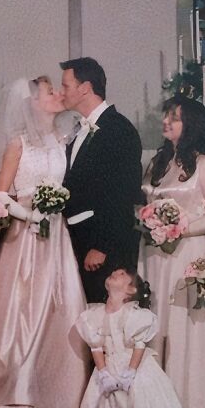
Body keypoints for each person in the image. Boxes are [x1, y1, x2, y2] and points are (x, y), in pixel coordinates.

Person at [0, 76, 91, 408]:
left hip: (56, 233)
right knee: (23, 304)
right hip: (25, 233)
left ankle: (60, 389)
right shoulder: (18, 144)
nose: (58, 94)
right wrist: (27, 213)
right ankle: (18, 388)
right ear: (32, 102)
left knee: (61, 304)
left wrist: (52, 209)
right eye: (49, 92)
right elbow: (0, 194)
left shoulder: (63, 137)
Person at [141, 96, 205, 408]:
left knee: (184, 323)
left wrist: (180, 229)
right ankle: (155, 403)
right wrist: (148, 221)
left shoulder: (204, 163)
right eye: (166, 115)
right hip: (155, 255)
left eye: (174, 118)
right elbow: (145, 202)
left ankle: (192, 404)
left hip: (188, 252)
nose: (166, 121)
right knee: (158, 320)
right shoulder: (156, 162)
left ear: (190, 125)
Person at [73, 267, 200, 408]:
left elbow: (139, 346)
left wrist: (130, 373)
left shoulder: (137, 316)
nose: (115, 273)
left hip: (133, 365)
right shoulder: (93, 316)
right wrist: (103, 372)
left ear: (131, 290)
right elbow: (96, 347)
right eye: (115, 272)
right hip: (109, 364)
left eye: (122, 274)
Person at [59, 57, 142, 303]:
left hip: (100, 245)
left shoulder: (119, 130)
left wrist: (102, 246)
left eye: (66, 86)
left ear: (84, 88)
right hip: (77, 237)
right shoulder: (78, 129)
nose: (61, 92)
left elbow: (122, 194)